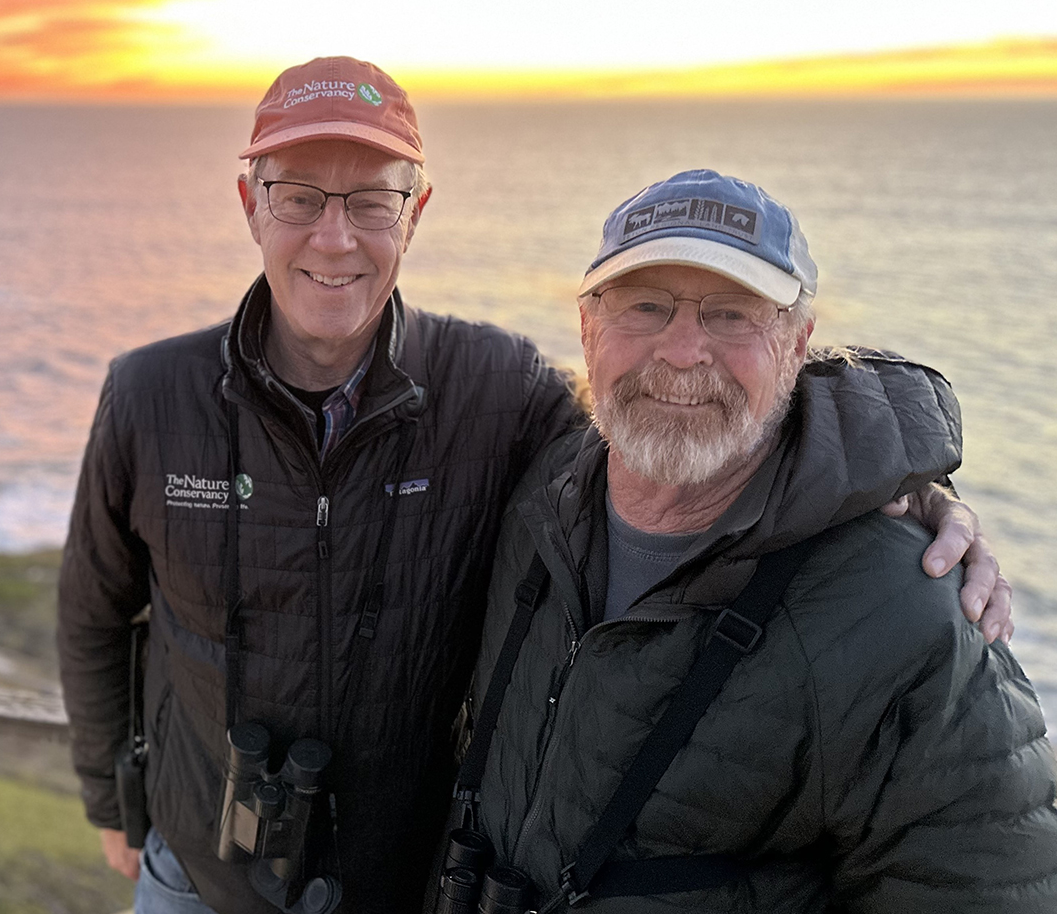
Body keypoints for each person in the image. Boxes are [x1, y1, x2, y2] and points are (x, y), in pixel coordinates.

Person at [57, 60, 1010, 914]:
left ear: (417, 212)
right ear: (248, 203)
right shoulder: (148, 393)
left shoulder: (498, 388)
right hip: (195, 866)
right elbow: (93, 614)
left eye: (373, 201)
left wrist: (889, 476)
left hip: (397, 876)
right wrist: (114, 801)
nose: (334, 238)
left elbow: (674, 428)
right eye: (298, 196)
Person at [457, 170, 1057, 914]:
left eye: (732, 314)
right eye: (645, 306)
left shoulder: (906, 616)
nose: (683, 352)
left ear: (798, 342)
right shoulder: (537, 501)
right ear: (587, 327)